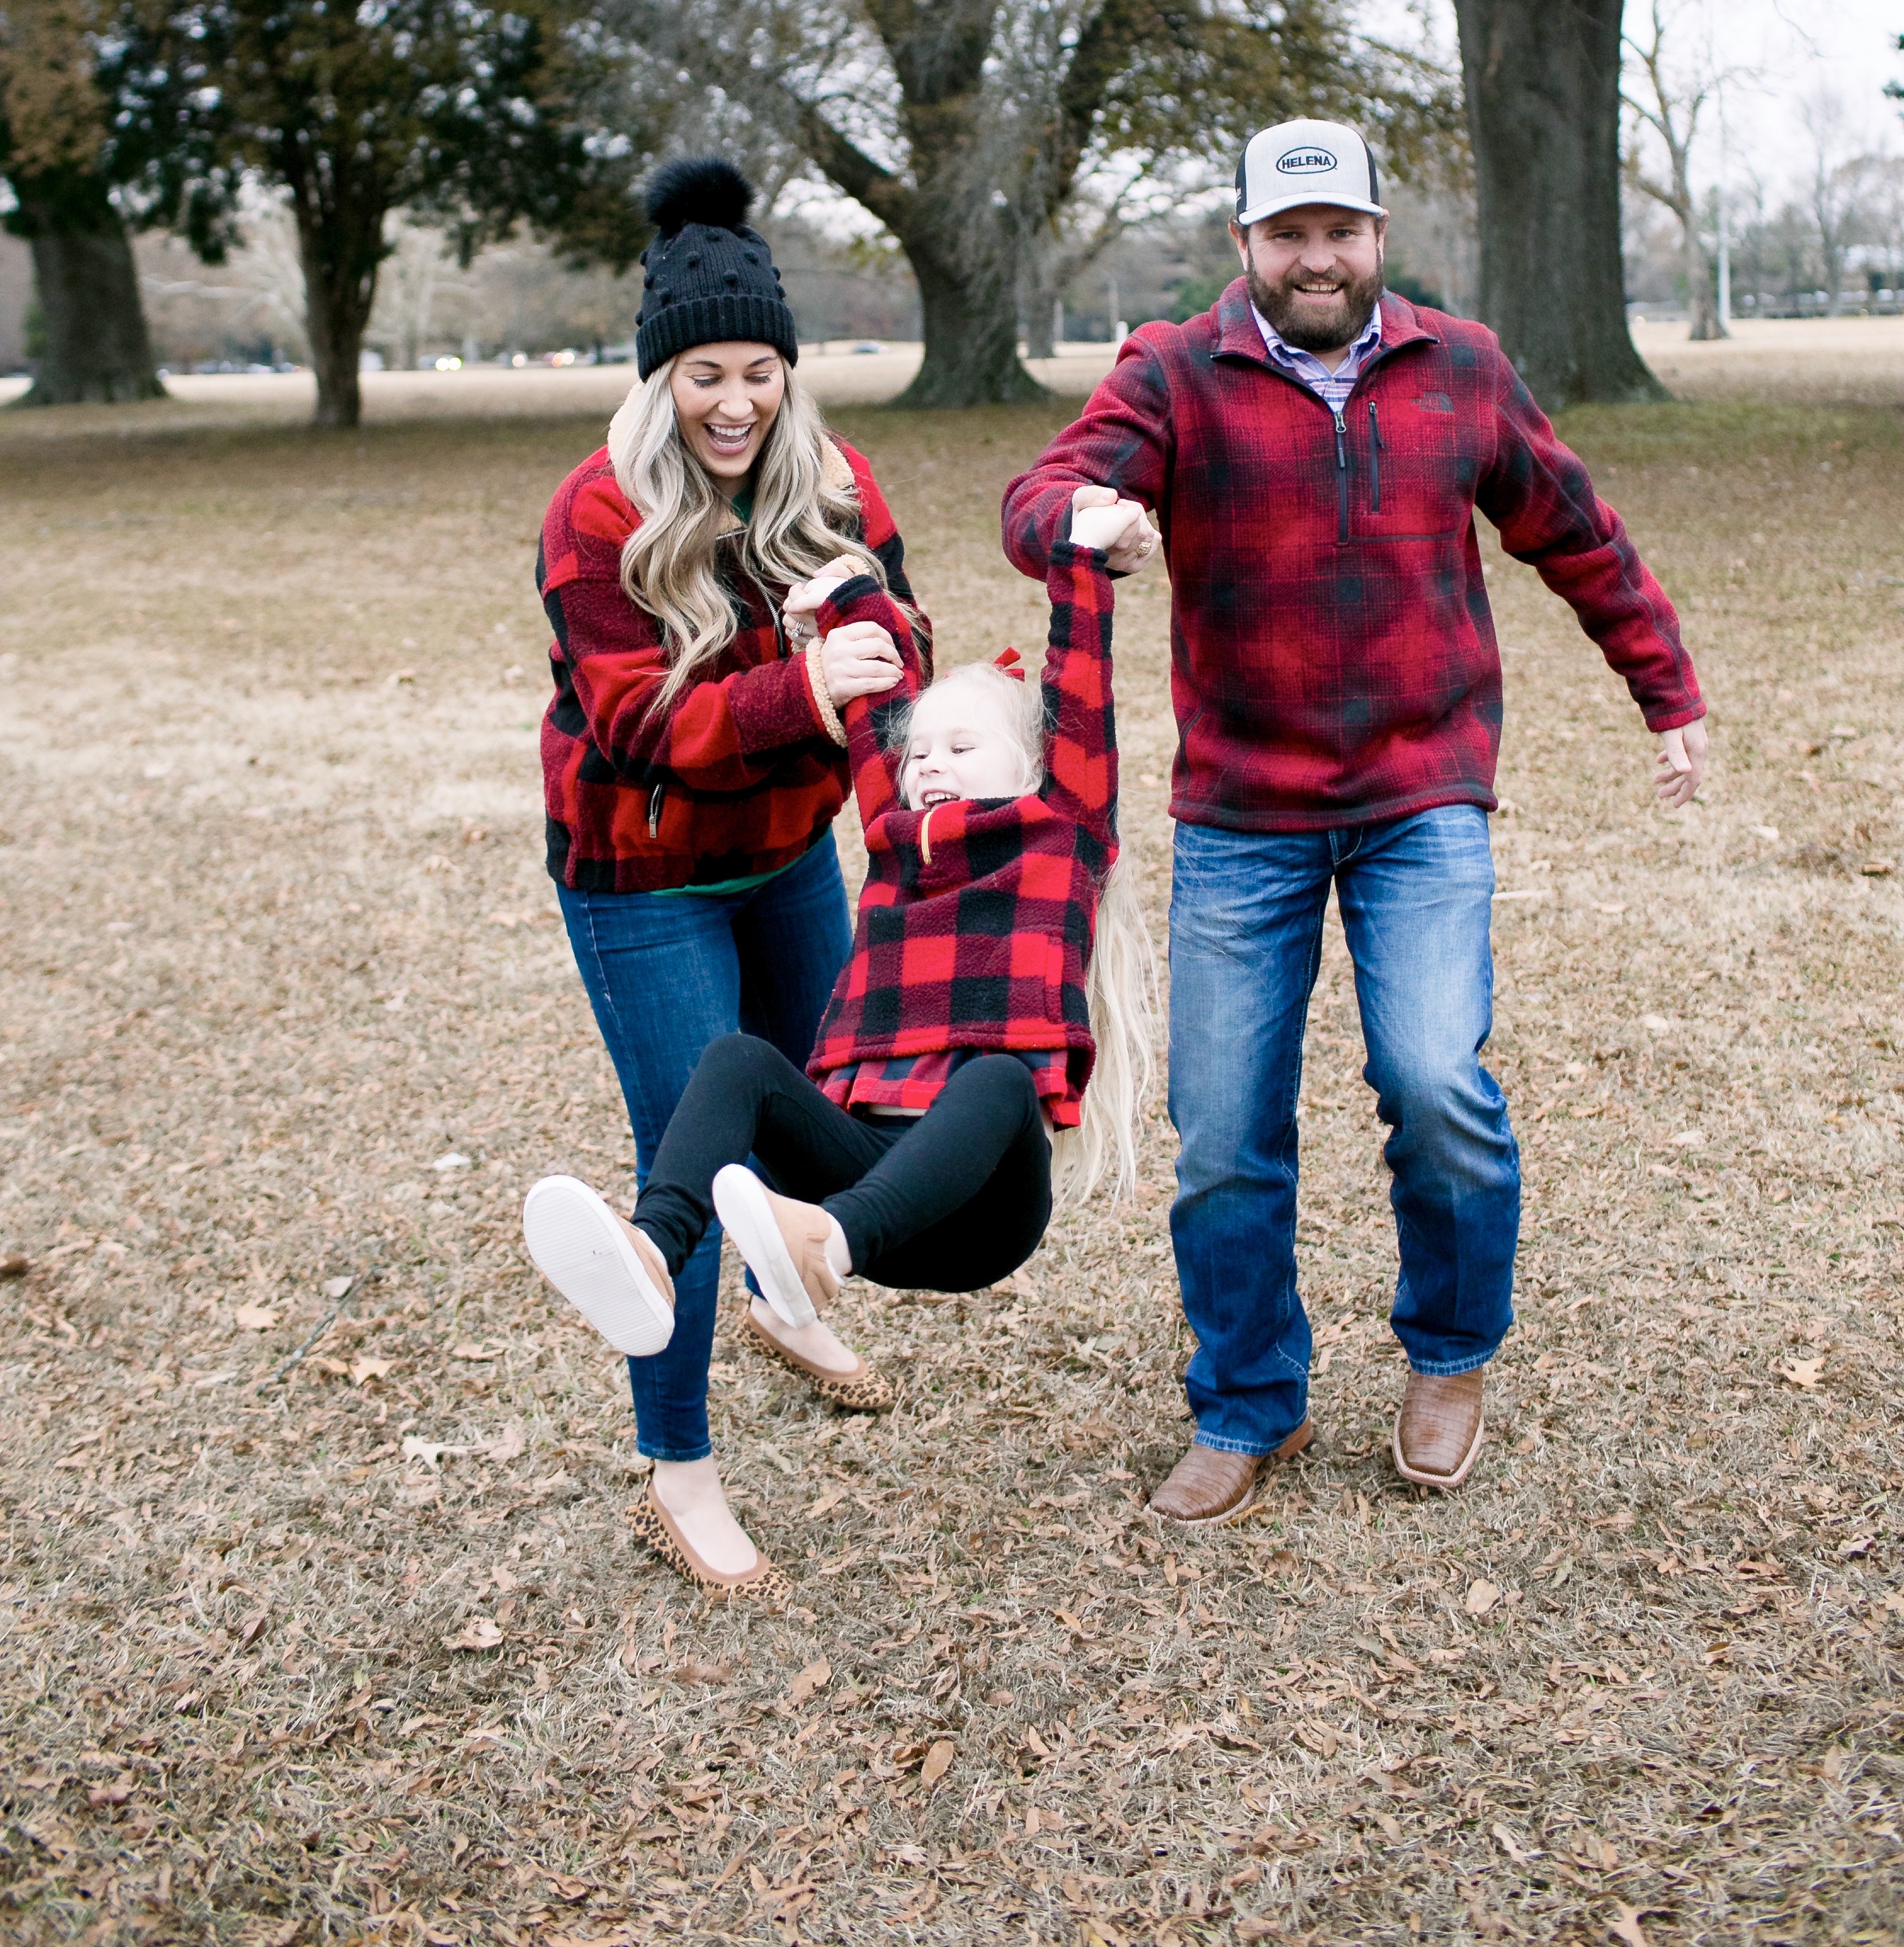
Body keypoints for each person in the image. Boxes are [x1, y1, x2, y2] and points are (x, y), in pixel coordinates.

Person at [1001, 119, 1708, 1521]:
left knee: (1436, 1084)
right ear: (1244, 245)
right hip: (1240, 815)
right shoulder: (1173, 370)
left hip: (1417, 798)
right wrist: (1087, 521)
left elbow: (1574, 531)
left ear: (1377, 237)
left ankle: (1447, 1353)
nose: (1314, 258)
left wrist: (1665, 690)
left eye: (1339, 232)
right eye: (1287, 234)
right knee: (1224, 1135)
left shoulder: (1460, 367)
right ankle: (1246, 1400)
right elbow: (1037, 499)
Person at [524, 489, 1158, 1590]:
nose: (929, 766)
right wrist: (850, 605)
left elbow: (1080, 683)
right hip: (866, 1184)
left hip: (977, 1213)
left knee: (1000, 1076)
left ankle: (818, 1250)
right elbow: (880, 713)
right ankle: (653, 1251)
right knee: (734, 1062)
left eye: (963, 747)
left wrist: (1082, 565)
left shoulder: (1064, 829)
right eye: (922, 758)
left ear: (1032, 765)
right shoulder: (896, 839)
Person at [536, 156, 925, 1592]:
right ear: (659, 382)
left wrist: (880, 651)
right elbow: (640, 723)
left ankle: (785, 1290)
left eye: (759, 369)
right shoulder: (595, 512)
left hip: (784, 857)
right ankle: (678, 1469)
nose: (735, 402)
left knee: (832, 1113)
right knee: (686, 1168)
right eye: (703, 372)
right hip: (641, 880)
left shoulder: (831, 482)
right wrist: (807, 688)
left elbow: (904, 643)